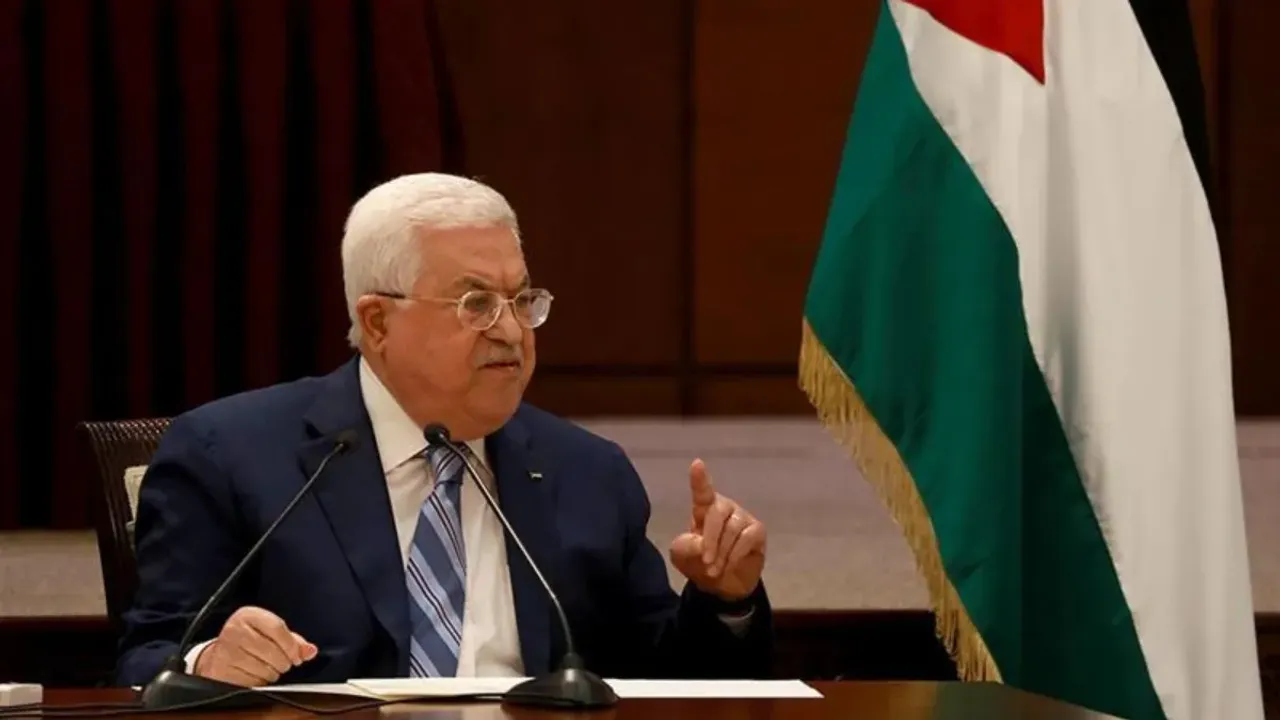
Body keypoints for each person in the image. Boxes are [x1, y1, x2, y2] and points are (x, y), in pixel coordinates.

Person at [116, 173, 772, 687]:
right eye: (476, 303)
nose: (511, 331)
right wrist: (210, 661)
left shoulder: (587, 471)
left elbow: (658, 680)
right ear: (377, 322)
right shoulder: (231, 456)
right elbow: (146, 663)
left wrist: (726, 601)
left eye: (521, 301)